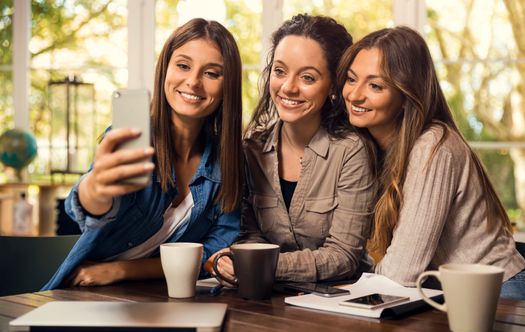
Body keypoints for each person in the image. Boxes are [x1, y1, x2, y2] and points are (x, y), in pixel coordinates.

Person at [43, 18, 243, 290]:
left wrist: (121, 270)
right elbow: (90, 209)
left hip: (159, 294)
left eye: (211, 73)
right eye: (183, 66)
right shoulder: (132, 139)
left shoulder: (228, 162)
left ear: (227, 86)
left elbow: (213, 252)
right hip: (85, 291)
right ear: (164, 70)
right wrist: (95, 189)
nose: (193, 82)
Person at [337, 26, 525, 299]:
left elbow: (403, 271)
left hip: (499, 292)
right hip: (445, 293)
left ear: (406, 94)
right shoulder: (369, 145)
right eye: (352, 79)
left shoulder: (434, 146)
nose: (354, 95)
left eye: (375, 85)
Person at [212, 14, 376, 284]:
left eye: (308, 78)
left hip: (340, 304)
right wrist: (237, 263)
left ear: (333, 86)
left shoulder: (351, 151)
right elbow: (251, 237)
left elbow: (343, 255)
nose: (288, 87)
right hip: (266, 299)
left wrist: (257, 264)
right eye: (279, 71)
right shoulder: (251, 151)